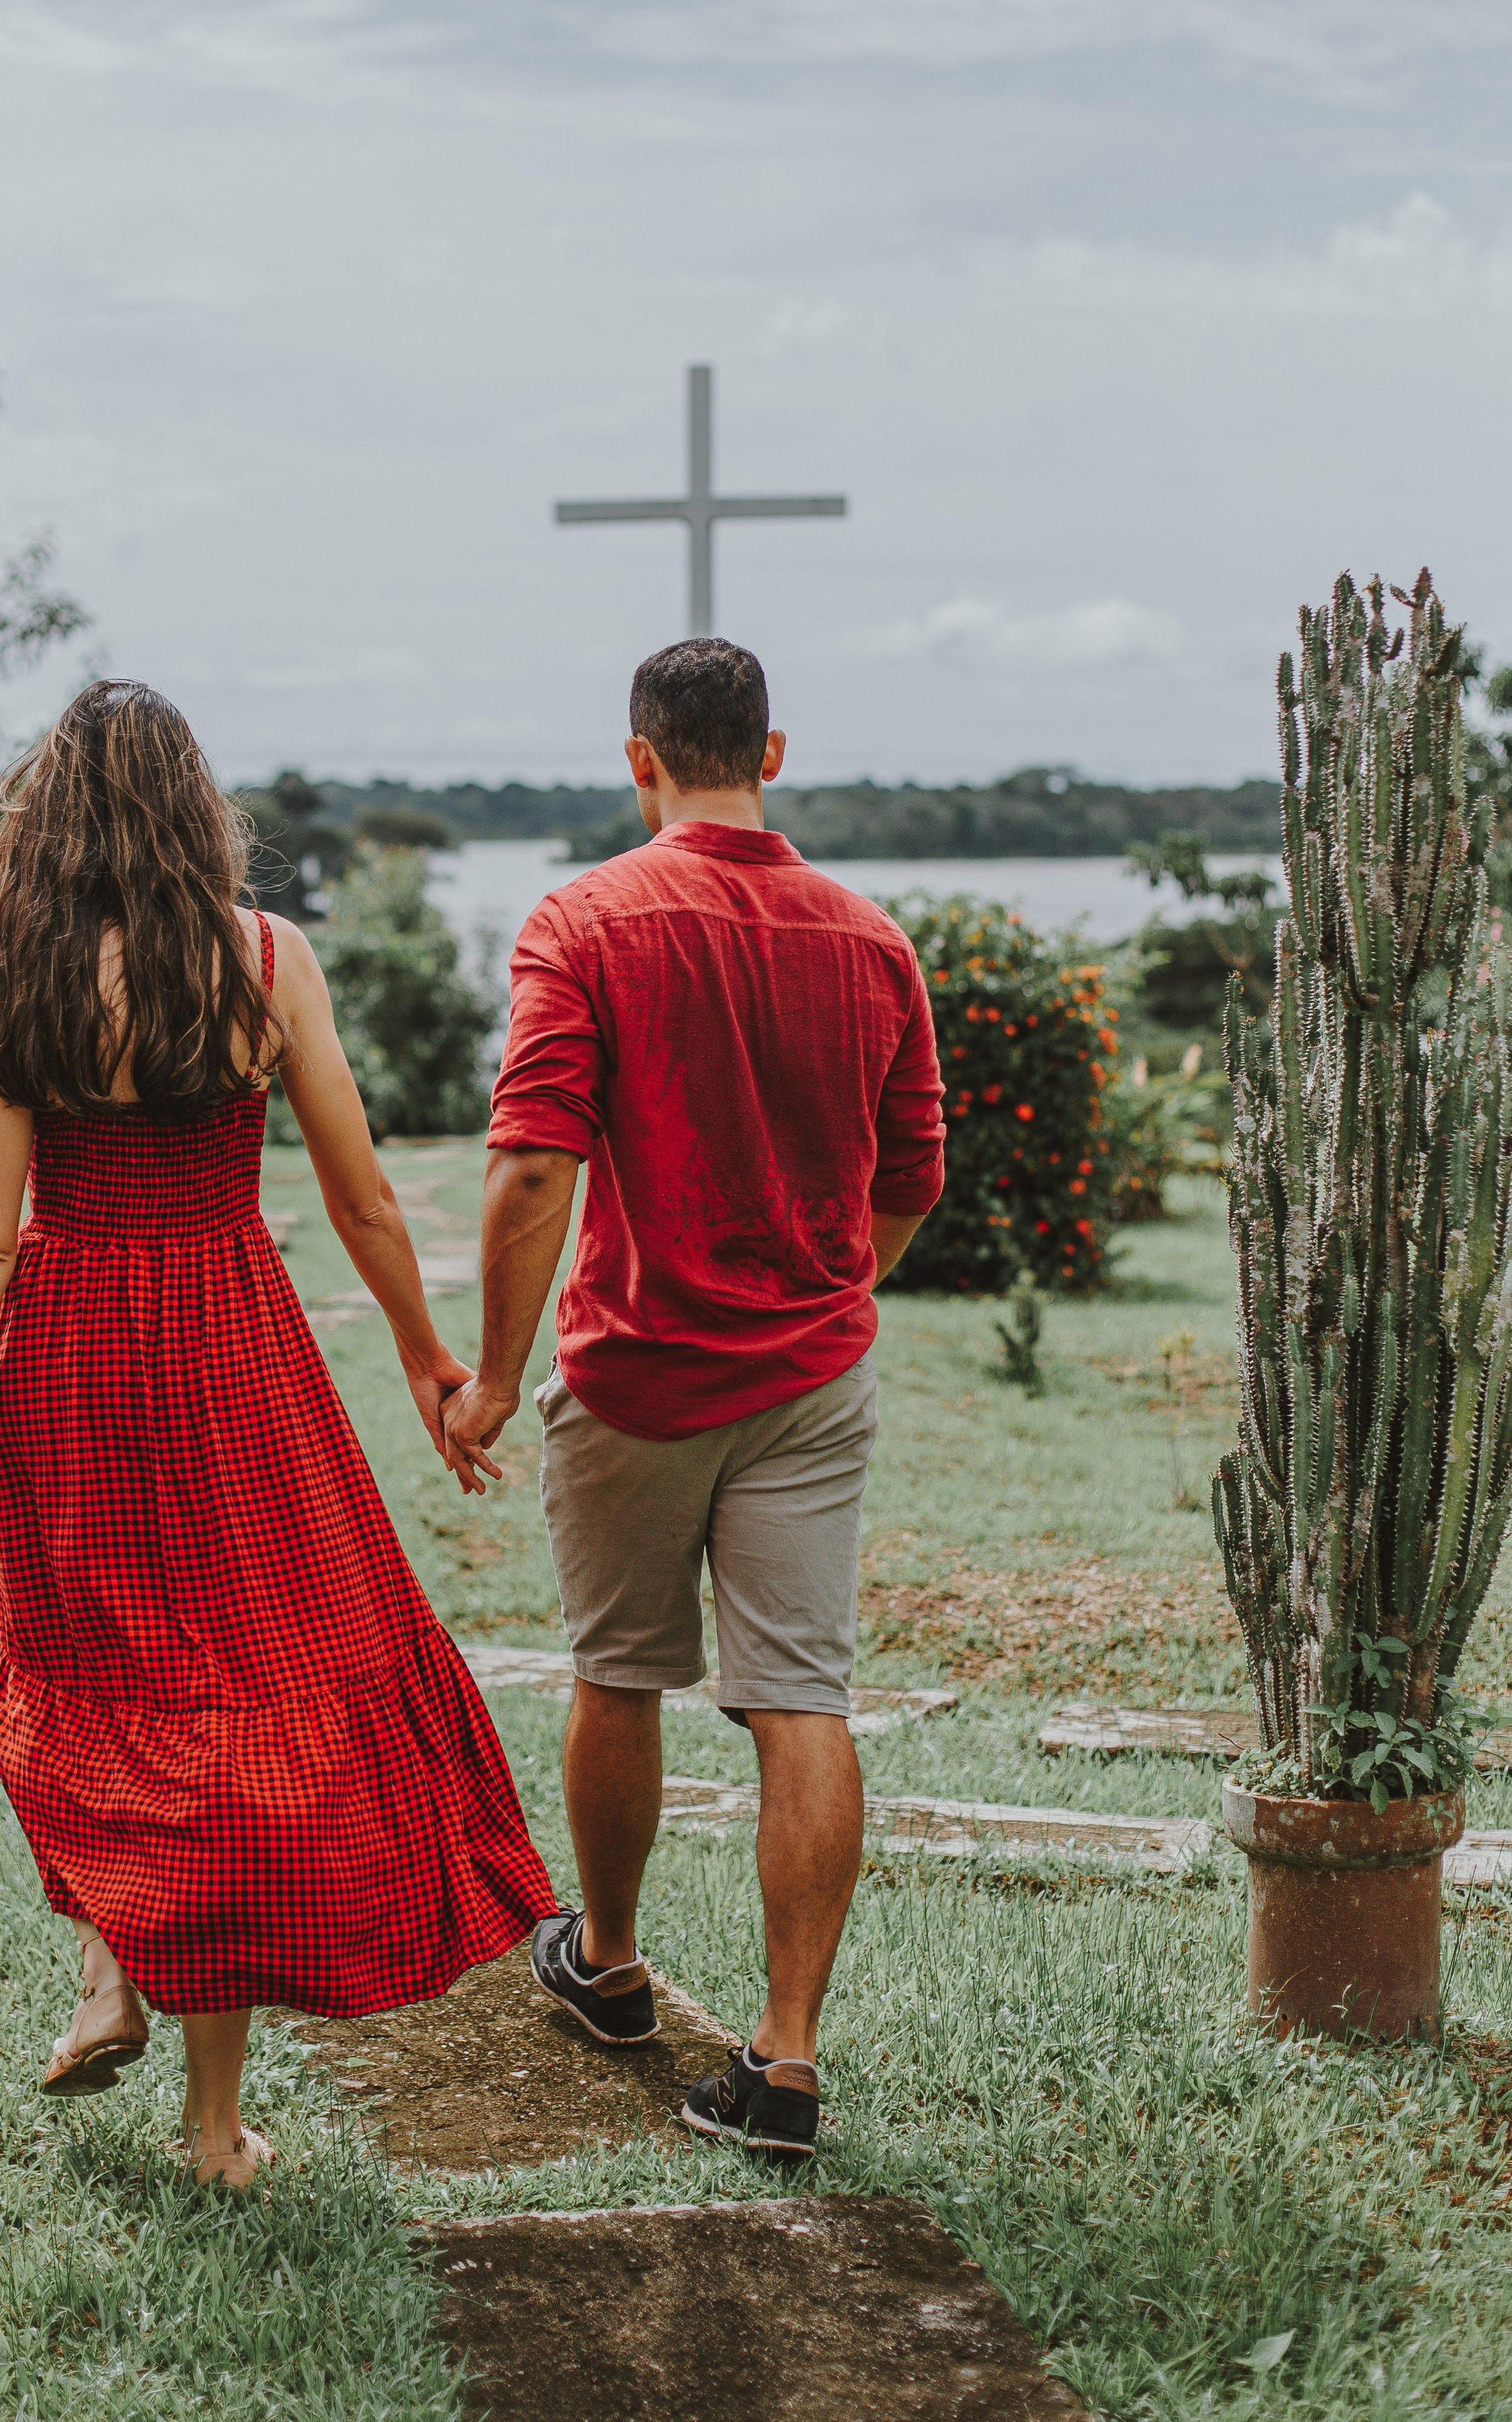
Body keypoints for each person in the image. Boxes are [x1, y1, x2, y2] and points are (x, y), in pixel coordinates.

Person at [0, 682, 553, 2189]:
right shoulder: (266, 958)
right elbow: (364, 1195)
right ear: (193, 808)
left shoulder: (12, 970)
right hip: (231, 1347)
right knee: (235, 1697)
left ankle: (114, 1961)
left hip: (63, 1367)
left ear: (50, 818)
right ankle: (212, 2123)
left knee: (89, 1676)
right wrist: (430, 1362)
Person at [442, 639, 943, 2160]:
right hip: (812, 1379)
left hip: (637, 1374)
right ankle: (783, 2061)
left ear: (638, 758)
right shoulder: (872, 941)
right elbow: (911, 1179)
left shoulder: (582, 921)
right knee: (803, 1699)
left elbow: (534, 1166)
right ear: (770, 753)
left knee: (618, 1674)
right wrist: (821, 1292)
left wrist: (494, 1376)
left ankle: (607, 1966)